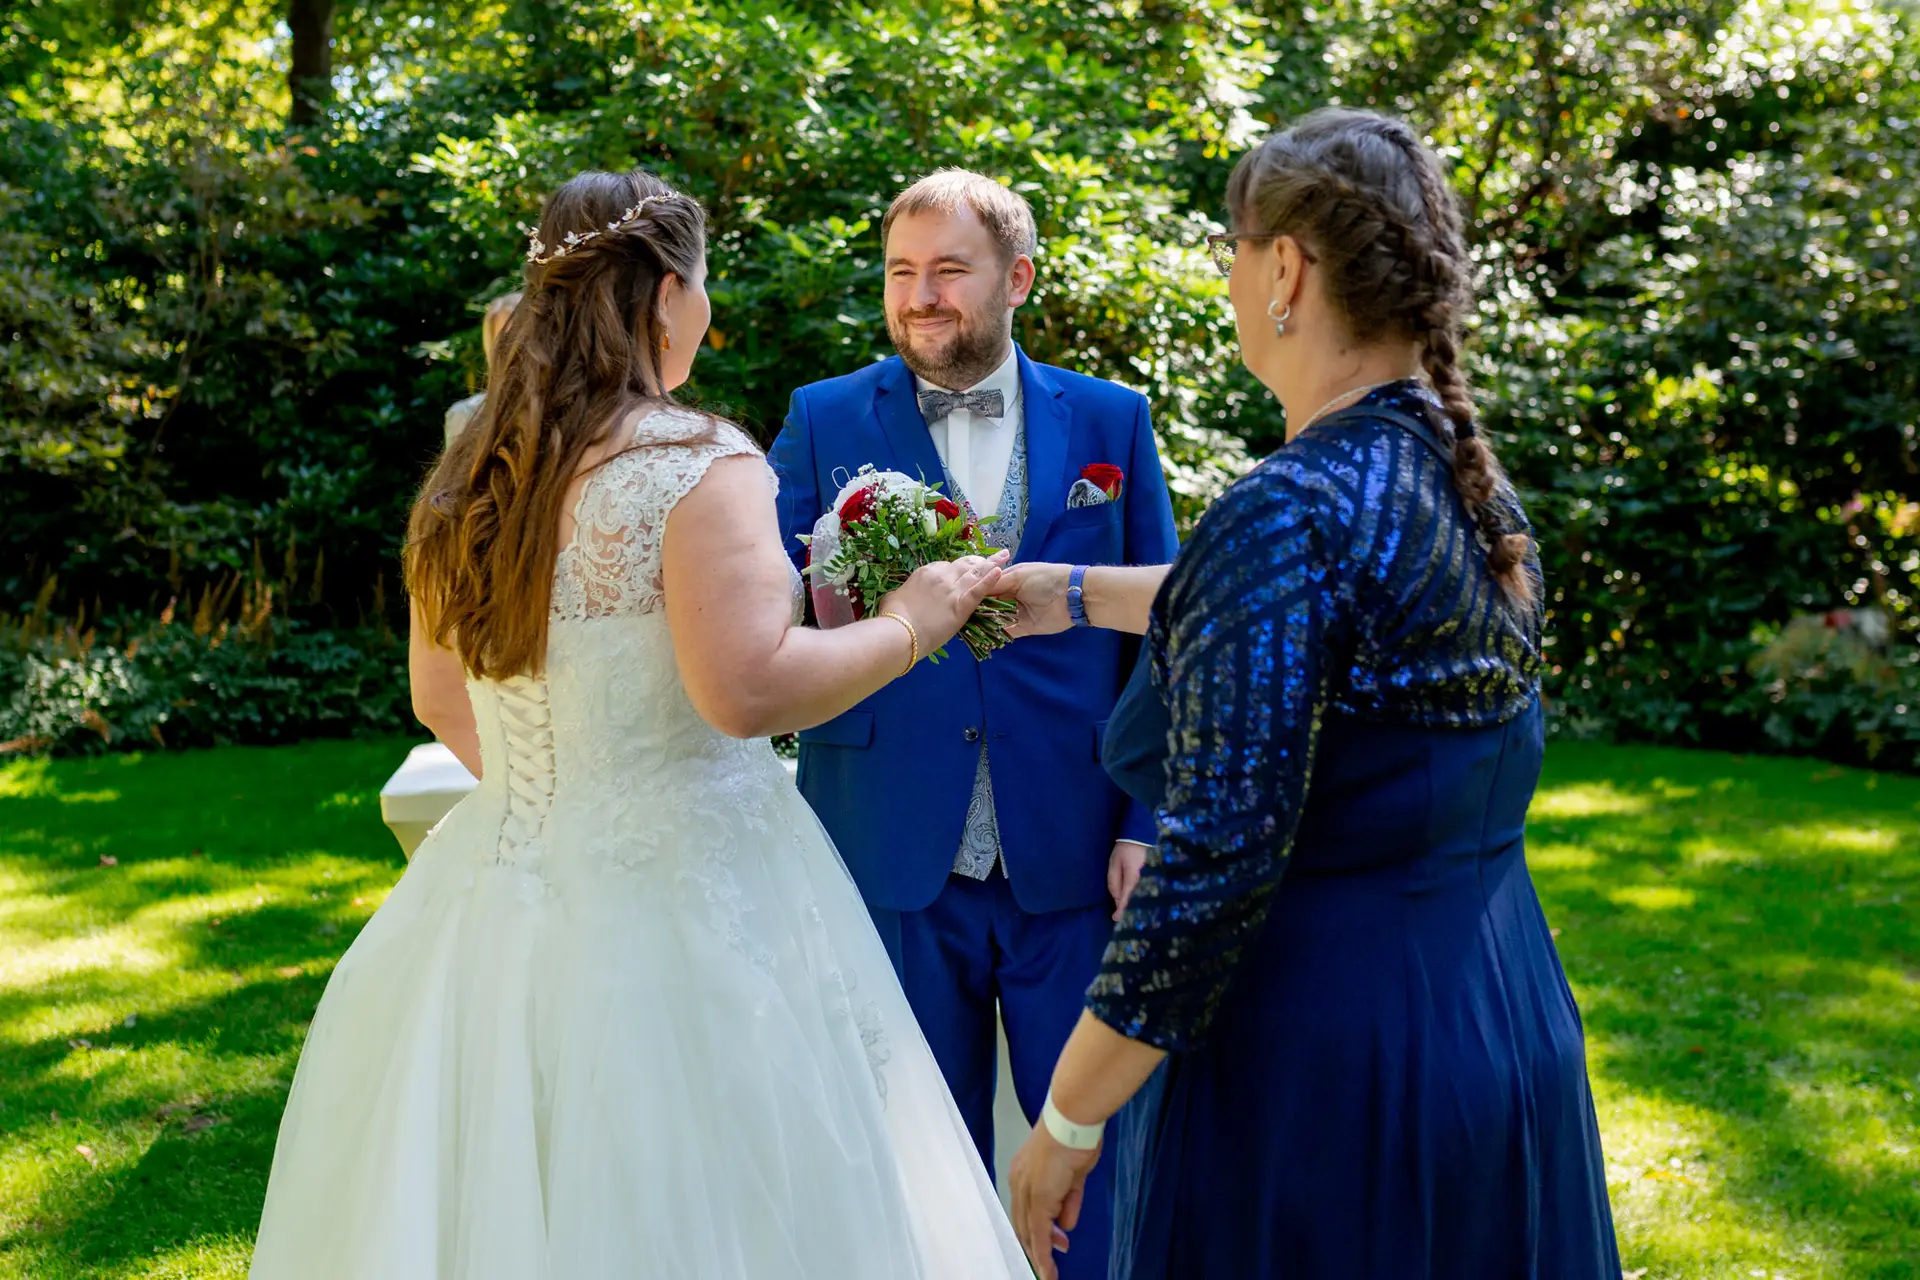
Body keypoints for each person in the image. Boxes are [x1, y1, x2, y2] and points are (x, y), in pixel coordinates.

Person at [247, 168, 1029, 1279]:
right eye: (702, 288)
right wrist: (912, 620)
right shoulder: (695, 464)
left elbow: (435, 693)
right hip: (702, 903)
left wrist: (560, 795)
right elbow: (746, 689)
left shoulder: (472, 467)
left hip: (491, 899)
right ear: (668, 294)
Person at [1002, 108, 1621, 1279]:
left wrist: (1064, 1126)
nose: (1234, 277)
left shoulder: (1287, 510)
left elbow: (1209, 868)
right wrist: (1075, 591)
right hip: (1501, 1023)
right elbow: (1297, 611)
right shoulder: (1460, 481)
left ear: (1284, 267)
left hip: (1334, 1080)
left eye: (1238, 248)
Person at [768, 169, 1179, 1280]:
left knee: (1090, 1157)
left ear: (1018, 279)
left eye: (950, 270)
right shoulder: (823, 417)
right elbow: (757, 596)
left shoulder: (1109, 420)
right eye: (903, 273)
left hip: (1076, 847)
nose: (921, 297)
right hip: (891, 839)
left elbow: (1169, 629)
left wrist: (1145, 816)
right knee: (909, 1159)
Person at [443, 290, 523, 445]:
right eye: (505, 340)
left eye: (522, 335)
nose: (515, 347)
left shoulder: (567, 412)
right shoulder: (466, 416)